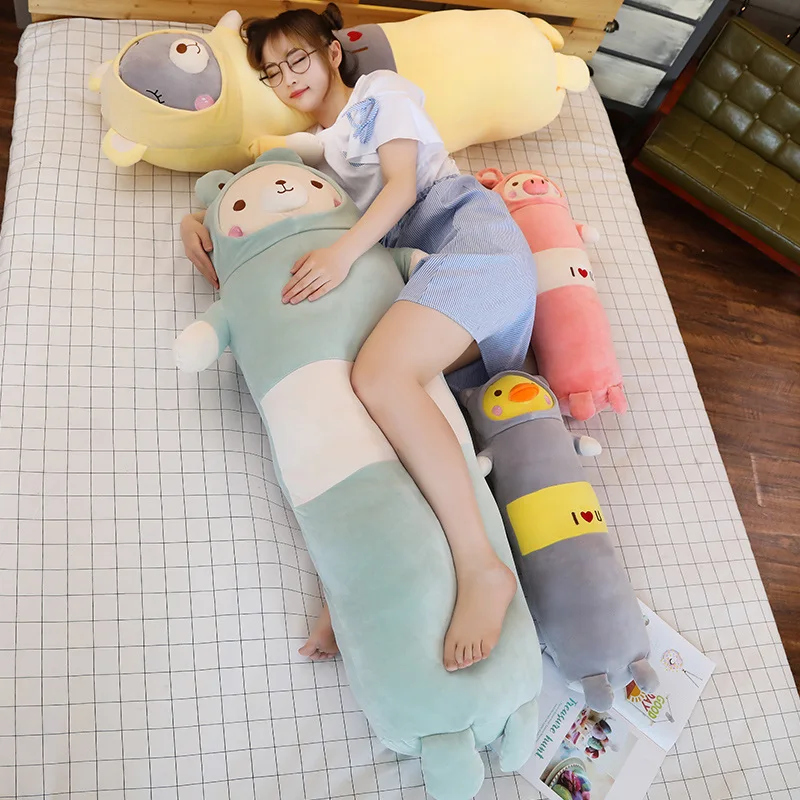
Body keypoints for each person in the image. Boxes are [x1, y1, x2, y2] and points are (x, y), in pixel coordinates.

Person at [180, 3, 537, 672]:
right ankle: (363, 584)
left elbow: (401, 188)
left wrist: (342, 254)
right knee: (361, 408)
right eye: (271, 73)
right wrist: (195, 220)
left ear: (333, 52)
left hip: (471, 248)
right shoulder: (314, 154)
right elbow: (258, 194)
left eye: (297, 59)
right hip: (424, 287)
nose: (288, 79)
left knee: (377, 378)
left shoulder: (379, 95)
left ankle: (481, 567)